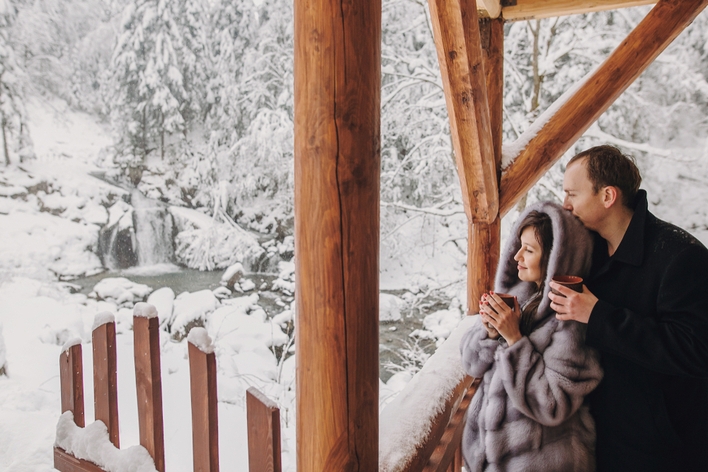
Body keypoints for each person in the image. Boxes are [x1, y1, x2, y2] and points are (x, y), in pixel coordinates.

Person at [550, 145, 708, 471]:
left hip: (664, 452)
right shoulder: (587, 253)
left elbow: (695, 350)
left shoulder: (681, 256)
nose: (565, 205)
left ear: (607, 196)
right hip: (600, 438)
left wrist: (598, 315)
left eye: (572, 194)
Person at [460, 201, 603, 472]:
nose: (517, 257)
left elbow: (553, 404)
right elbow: (470, 363)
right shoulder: (521, 299)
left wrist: (514, 340)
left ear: (554, 258)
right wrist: (490, 333)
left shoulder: (572, 321)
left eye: (529, 250)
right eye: (519, 247)